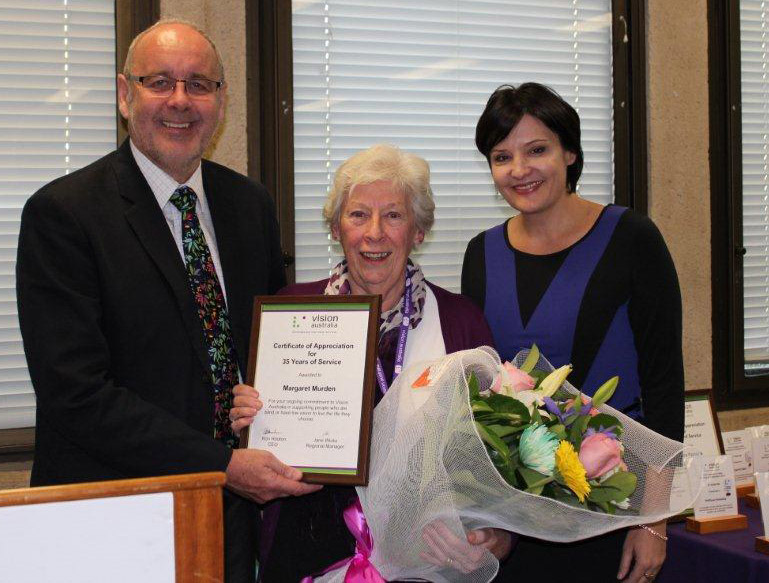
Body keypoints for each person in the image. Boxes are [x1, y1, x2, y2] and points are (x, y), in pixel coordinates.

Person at [16, 20, 318, 583]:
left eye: (199, 84)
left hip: (231, 520)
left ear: (220, 102)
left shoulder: (249, 206)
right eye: (160, 82)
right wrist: (224, 465)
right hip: (114, 516)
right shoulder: (64, 215)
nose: (180, 100)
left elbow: (270, 354)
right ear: (126, 95)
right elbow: (75, 393)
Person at [230, 144, 512, 581]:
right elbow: (258, 450)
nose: (374, 233)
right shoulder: (289, 311)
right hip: (306, 556)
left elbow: (494, 459)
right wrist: (251, 420)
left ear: (418, 231)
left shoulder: (461, 322)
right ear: (337, 228)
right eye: (358, 215)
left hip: (426, 561)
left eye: (394, 216)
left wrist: (496, 534)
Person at [461, 83, 684, 583]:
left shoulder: (632, 239)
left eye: (536, 150)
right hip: (515, 517)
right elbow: (480, 391)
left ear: (570, 152)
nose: (519, 170)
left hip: (613, 505)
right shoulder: (481, 254)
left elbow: (665, 385)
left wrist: (654, 523)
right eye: (502, 156)